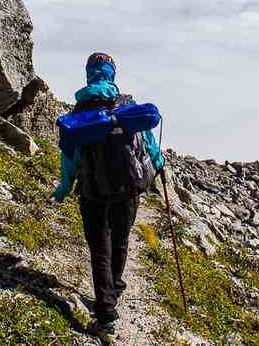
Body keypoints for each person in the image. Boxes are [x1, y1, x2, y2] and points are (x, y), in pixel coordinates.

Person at [49, 52, 165, 344]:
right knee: (121, 240)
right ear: (112, 74)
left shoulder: (79, 115)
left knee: (100, 248)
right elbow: (150, 146)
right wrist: (159, 165)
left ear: (89, 74)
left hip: (92, 193)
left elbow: (70, 160)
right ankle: (115, 288)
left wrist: (63, 190)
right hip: (128, 190)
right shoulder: (128, 108)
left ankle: (106, 316)